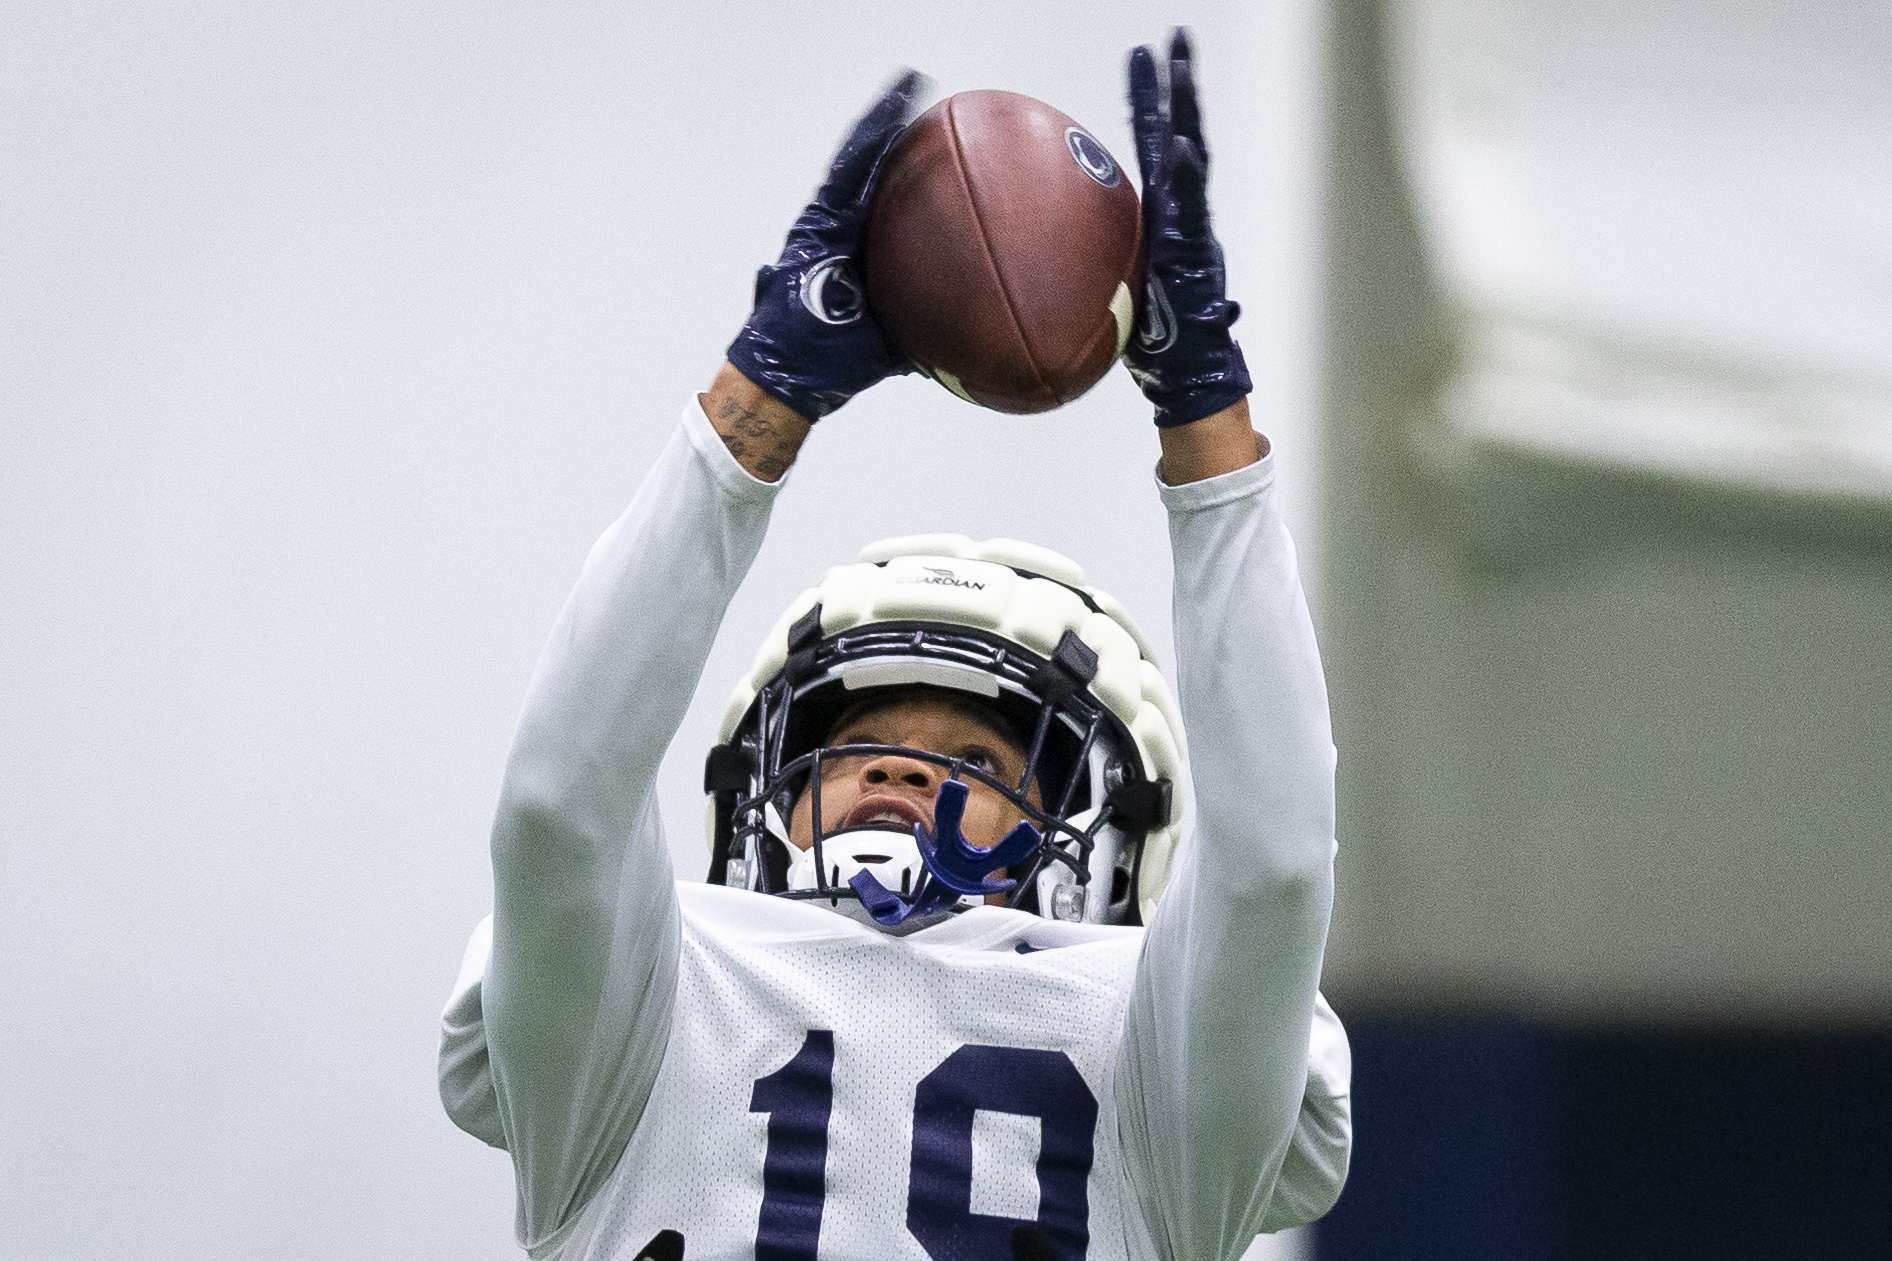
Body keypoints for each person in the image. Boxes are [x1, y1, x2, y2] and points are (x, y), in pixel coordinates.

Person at [439, 31, 1351, 1261]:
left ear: (1101, 833)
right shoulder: (650, 1011)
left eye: (977, 752)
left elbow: (1276, 864)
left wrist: (1207, 425)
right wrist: (756, 405)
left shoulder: (1153, 1068)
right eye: (855, 736)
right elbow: (557, 804)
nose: (899, 769)